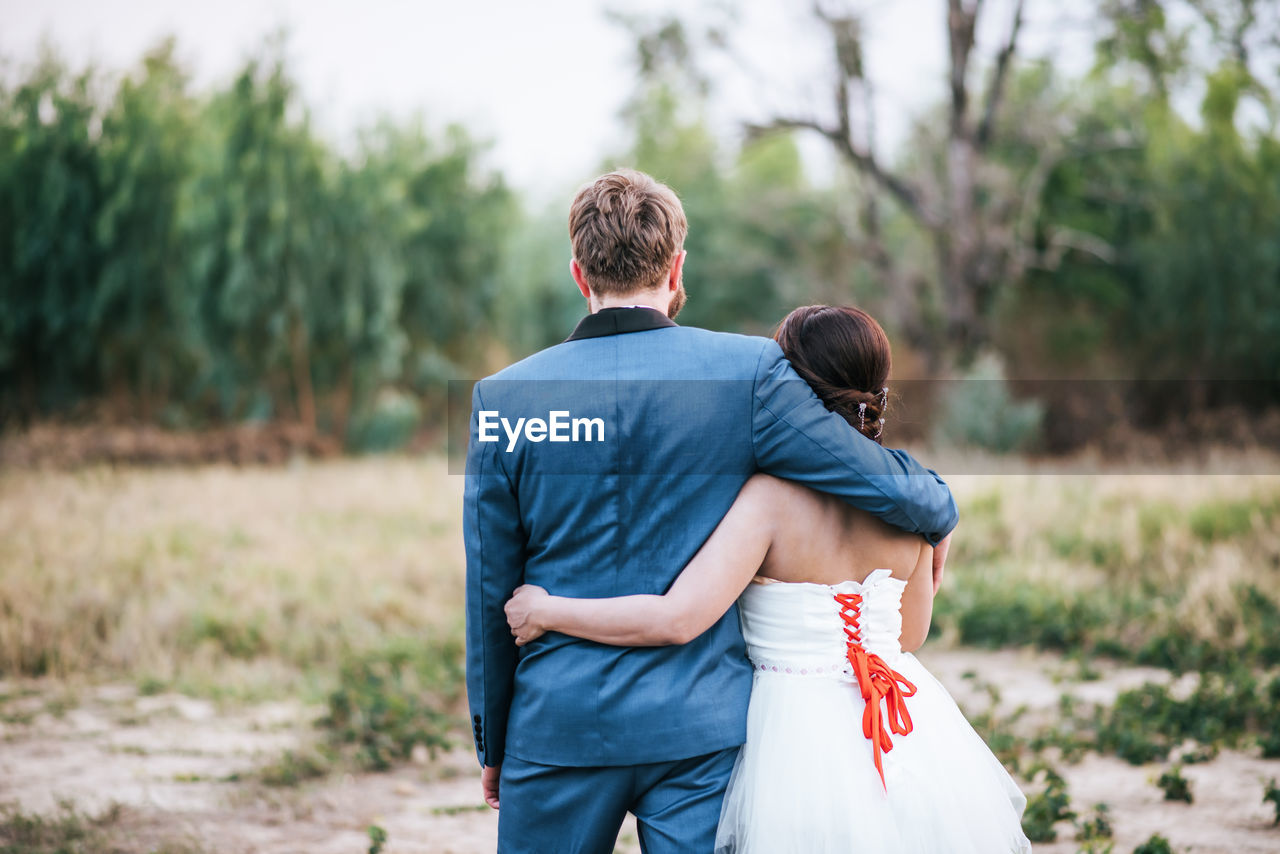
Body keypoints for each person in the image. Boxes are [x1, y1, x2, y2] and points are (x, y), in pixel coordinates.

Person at [464, 170, 959, 853]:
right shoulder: (749, 374)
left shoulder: (504, 400)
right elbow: (864, 472)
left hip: (559, 726)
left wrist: (495, 738)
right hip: (699, 731)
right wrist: (941, 506)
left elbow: (492, 587)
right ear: (677, 265)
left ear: (579, 274)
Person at [504, 305, 1031, 853]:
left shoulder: (769, 503)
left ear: (791, 391)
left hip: (792, 740)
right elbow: (909, 638)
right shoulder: (913, 507)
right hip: (906, 735)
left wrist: (547, 610)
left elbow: (678, 617)